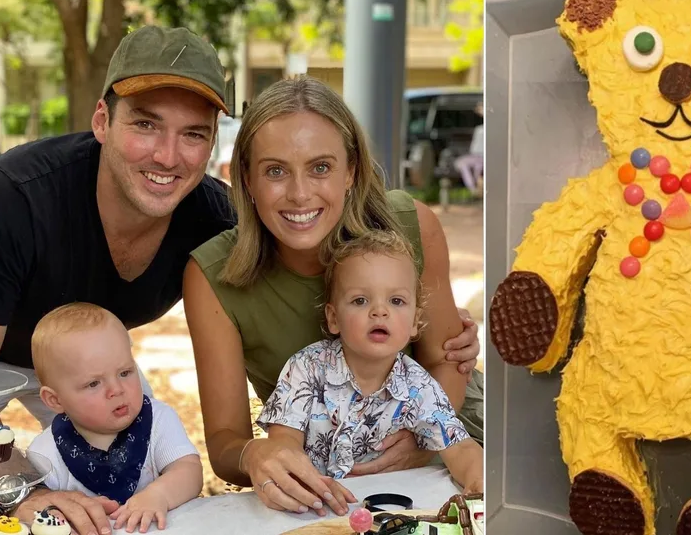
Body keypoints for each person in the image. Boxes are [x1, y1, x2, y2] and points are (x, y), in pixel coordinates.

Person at [0, 25, 235, 533]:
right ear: (101, 121)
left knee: (145, 490)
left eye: (194, 134)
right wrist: (25, 492)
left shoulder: (215, 219)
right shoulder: (15, 198)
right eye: (146, 124)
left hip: (92, 365)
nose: (167, 156)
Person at [183, 76, 484, 518]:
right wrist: (258, 454)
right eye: (275, 171)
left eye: (321, 167)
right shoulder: (213, 276)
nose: (300, 193)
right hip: (327, 484)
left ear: (352, 171)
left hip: (450, 440)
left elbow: (448, 361)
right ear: (245, 179)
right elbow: (227, 443)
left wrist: (422, 445)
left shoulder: (411, 226)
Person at [256, 230, 483, 498]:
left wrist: (478, 483)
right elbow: (283, 443)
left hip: (389, 509)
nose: (379, 311)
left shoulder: (418, 386)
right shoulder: (306, 369)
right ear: (334, 318)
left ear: (414, 322)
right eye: (360, 300)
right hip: (313, 503)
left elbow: (461, 448)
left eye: (396, 301)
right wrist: (303, 483)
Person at [28, 303, 203, 533]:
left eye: (125, 372)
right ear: (55, 400)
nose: (116, 390)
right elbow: (36, 509)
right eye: (94, 383)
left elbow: (189, 470)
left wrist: (158, 495)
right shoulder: (45, 453)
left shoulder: (158, 421)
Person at [454, 102, 484, 194]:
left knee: (478, 167)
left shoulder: (486, 128)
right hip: (475, 155)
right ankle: (473, 187)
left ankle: (476, 187)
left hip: (483, 156)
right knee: (462, 163)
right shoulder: (479, 128)